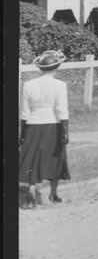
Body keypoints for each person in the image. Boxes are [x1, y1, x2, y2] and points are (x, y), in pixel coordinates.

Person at [20, 49, 71, 206]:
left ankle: (30, 194)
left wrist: (22, 132)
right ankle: (53, 193)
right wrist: (65, 131)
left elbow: (24, 111)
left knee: (32, 159)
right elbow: (62, 109)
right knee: (55, 158)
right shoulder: (60, 85)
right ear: (57, 67)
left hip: (32, 125)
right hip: (53, 125)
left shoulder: (28, 85)